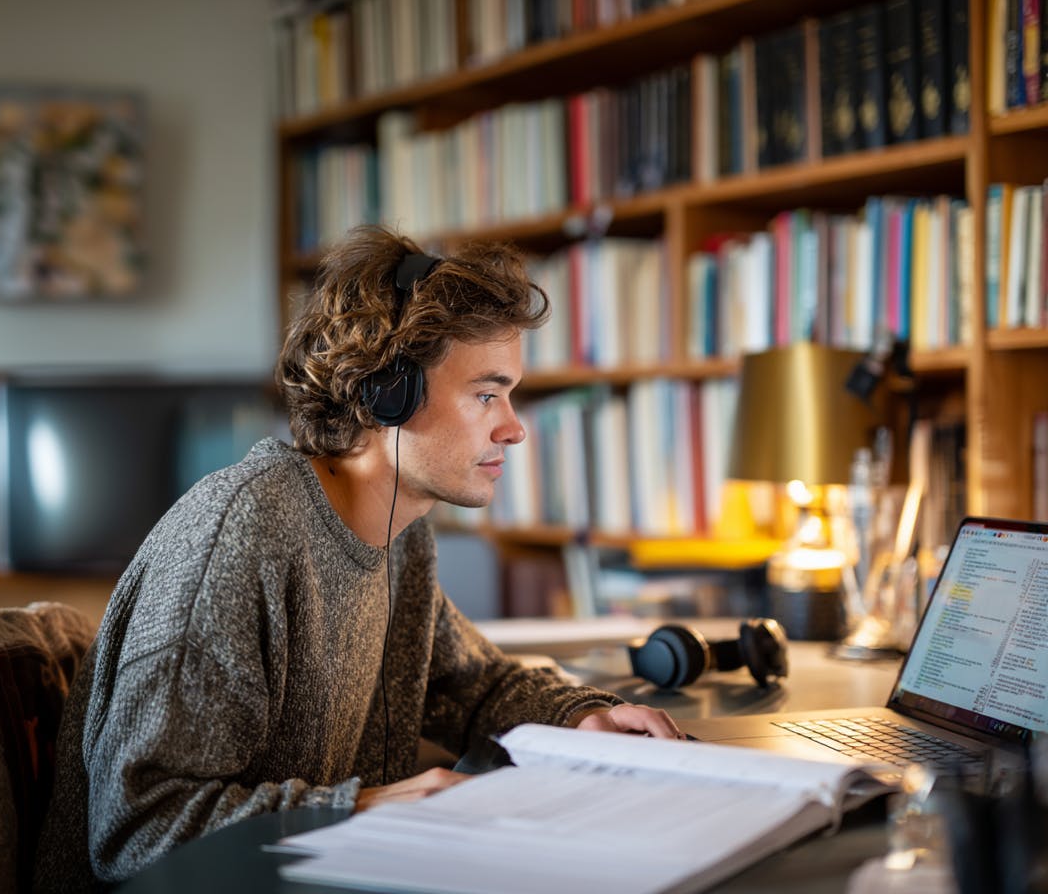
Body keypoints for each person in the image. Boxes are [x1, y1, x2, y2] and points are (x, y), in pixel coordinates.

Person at [33, 225, 681, 892]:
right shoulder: (243, 535)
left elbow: (470, 683)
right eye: (488, 394)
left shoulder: (402, 535)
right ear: (386, 392)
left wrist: (582, 716)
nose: (514, 428)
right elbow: (137, 827)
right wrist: (361, 808)